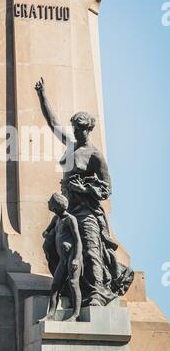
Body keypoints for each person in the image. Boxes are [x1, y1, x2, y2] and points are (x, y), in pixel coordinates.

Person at [35, 78, 134, 307]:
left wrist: (85, 188)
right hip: (67, 208)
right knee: (50, 244)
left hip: (87, 210)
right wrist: (42, 96)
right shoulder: (71, 145)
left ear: (88, 129)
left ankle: (97, 294)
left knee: (91, 251)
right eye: (75, 129)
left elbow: (107, 187)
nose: (76, 132)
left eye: (80, 129)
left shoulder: (94, 155)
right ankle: (71, 287)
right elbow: (52, 122)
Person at [44, 194, 83, 322]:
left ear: (55, 207)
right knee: (55, 285)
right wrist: (47, 234)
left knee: (73, 283)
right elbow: (46, 231)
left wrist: (76, 259)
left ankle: (75, 315)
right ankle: (50, 314)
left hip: (72, 256)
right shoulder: (56, 219)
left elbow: (78, 240)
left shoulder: (70, 219)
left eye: (50, 202)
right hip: (62, 258)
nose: (48, 203)